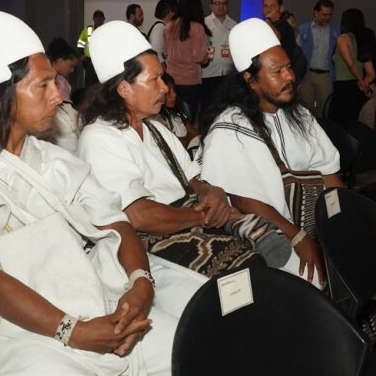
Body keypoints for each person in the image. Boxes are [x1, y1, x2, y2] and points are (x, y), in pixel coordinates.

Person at [0, 11, 206, 375]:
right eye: (43, 86)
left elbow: (120, 223)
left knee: (191, 351)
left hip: (92, 303)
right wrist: (73, 331)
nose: (56, 96)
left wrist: (140, 285)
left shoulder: (52, 160)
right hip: (17, 329)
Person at [78, 21, 286, 274]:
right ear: (123, 88)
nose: (164, 88)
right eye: (154, 80)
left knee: (263, 259)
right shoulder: (99, 137)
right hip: (147, 243)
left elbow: (193, 179)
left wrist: (214, 193)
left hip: (187, 219)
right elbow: (139, 215)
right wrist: (204, 217)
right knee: (245, 268)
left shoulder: (154, 127)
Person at [199, 18, 345, 288]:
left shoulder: (298, 114)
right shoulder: (230, 127)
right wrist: (299, 237)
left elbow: (330, 173)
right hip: (270, 231)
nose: (290, 76)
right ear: (250, 80)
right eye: (277, 72)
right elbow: (243, 199)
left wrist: (339, 224)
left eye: (289, 67)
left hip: (312, 222)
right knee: (310, 280)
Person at [163, 0, 211, 119]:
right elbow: (200, 57)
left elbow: (165, 52)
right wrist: (208, 57)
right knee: (188, 120)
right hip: (190, 82)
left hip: (171, 80)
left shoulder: (168, 26)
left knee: (173, 118)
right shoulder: (197, 27)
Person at [329, 8, 376, 127]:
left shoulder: (343, 39)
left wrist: (360, 81)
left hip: (343, 88)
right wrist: (363, 84)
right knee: (351, 125)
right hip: (357, 89)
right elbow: (371, 73)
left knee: (336, 126)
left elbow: (350, 63)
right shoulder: (362, 41)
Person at [296, 0, 340, 118]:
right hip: (307, 75)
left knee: (324, 109)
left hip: (326, 75)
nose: (327, 18)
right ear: (315, 13)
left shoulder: (336, 30)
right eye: (324, 14)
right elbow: (297, 55)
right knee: (304, 110)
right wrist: (297, 78)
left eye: (330, 15)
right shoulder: (303, 29)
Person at [43, 37, 81, 153]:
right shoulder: (47, 79)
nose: (72, 70)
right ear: (59, 60)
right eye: (71, 65)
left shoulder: (63, 82)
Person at [201, 0, 237, 108]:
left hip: (228, 75)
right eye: (217, 3)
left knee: (226, 108)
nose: (220, 6)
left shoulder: (234, 24)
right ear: (211, 6)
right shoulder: (203, 23)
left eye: (224, 3)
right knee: (208, 109)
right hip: (208, 74)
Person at [157, 72, 199, 149]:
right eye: (169, 91)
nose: (174, 94)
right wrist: (190, 137)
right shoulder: (158, 120)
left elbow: (194, 131)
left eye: (174, 90)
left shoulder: (175, 112)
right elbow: (175, 145)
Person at [76, 9, 105, 88]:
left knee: (101, 83)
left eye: (100, 17)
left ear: (104, 19)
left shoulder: (106, 30)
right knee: (89, 84)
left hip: (102, 62)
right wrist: (82, 55)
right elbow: (80, 43)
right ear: (93, 19)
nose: (98, 19)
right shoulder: (88, 29)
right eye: (96, 17)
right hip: (89, 61)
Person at [147, 0, 178, 64]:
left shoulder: (160, 26)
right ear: (170, 12)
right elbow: (156, 52)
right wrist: (164, 67)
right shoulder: (160, 27)